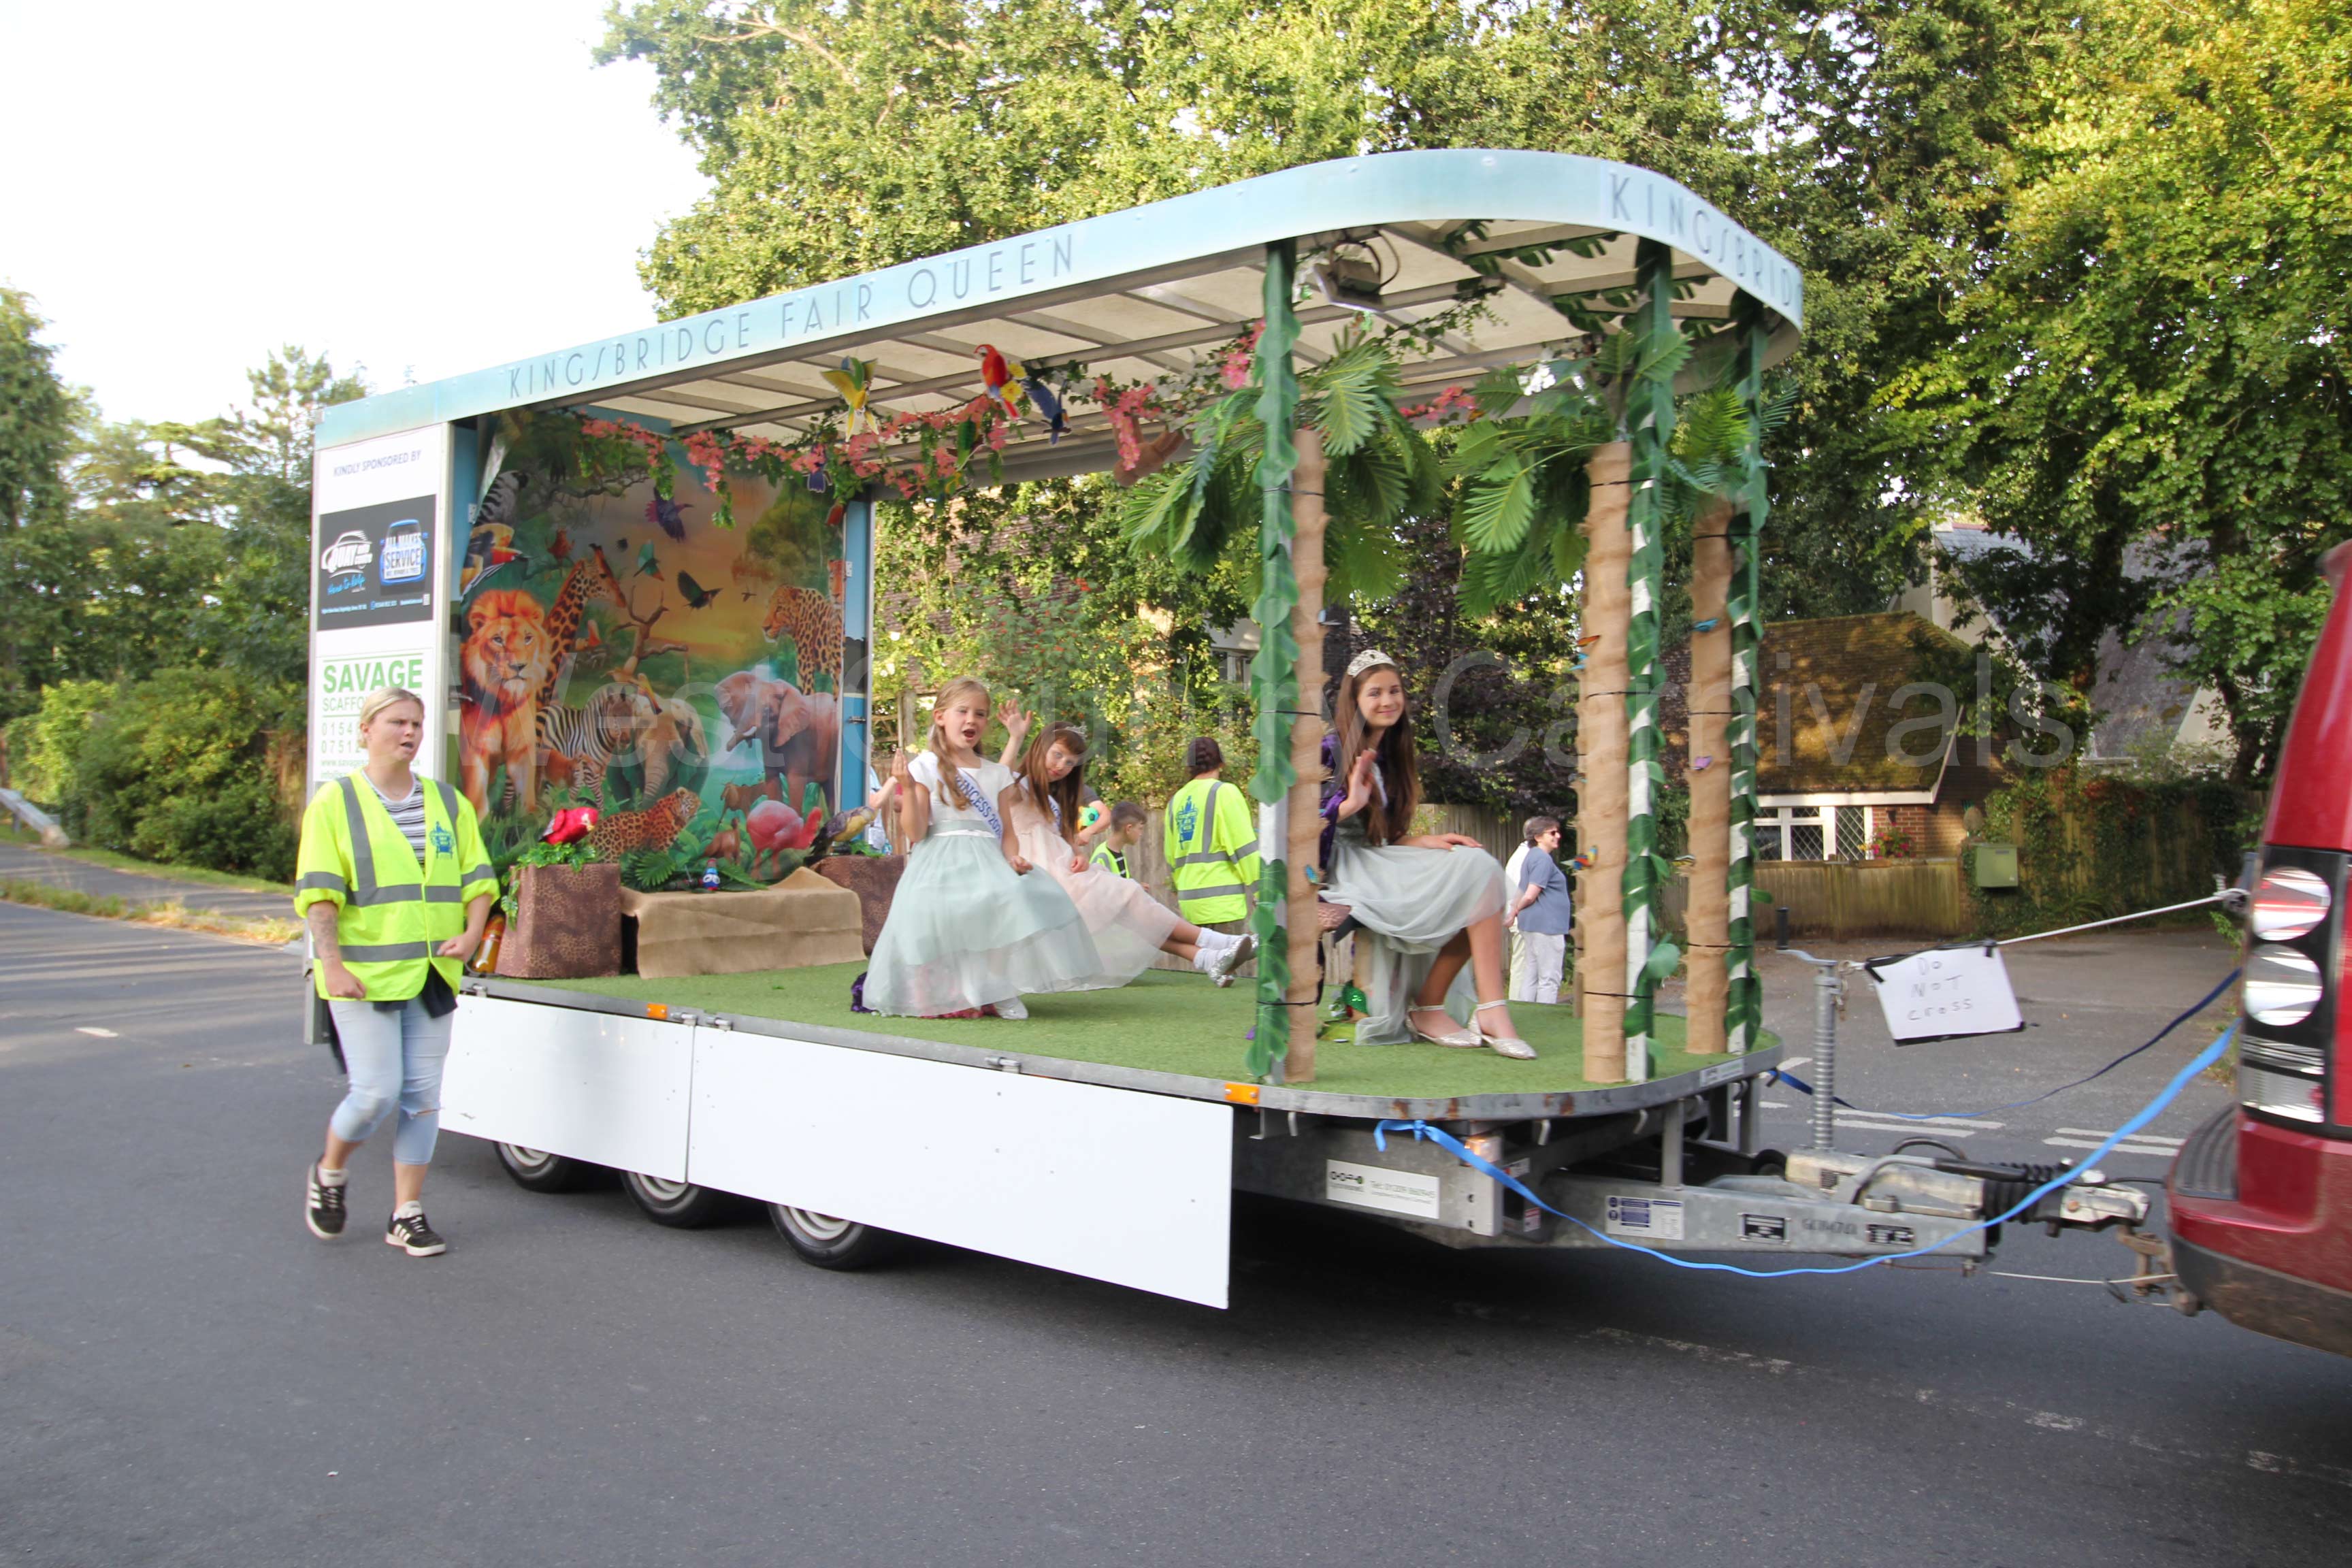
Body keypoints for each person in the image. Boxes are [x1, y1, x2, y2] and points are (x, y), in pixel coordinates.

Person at [295, 687, 497, 1257]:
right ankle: (330, 1171)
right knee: (375, 1094)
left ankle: (406, 1213)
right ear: (366, 730)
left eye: (417, 723)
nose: (409, 733)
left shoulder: (447, 803)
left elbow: (478, 878)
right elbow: (319, 895)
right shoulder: (335, 803)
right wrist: (331, 965)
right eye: (396, 723)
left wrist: (474, 933)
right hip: (364, 977)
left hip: (432, 974)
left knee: (423, 1097)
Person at [1320, 649, 1533, 1059]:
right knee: (1478, 875)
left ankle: (1452, 1005)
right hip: (1341, 866)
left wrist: (1424, 841)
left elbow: (1384, 836)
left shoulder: (1391, 753)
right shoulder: (1330, 749)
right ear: (1355, 701)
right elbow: (1297, 827)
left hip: (1377, 858)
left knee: (1479, 870)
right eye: (1375, 693)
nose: (1388, 701)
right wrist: (1348, 805)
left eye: (1395, 691)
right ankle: (1467, 1009)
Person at [863, 678, 1102, 1018]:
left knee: (1016, 897)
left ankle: (996, 984)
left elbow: (1007, 832)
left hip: (987, 858)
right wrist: (907, 786)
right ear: (941, 717)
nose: (971, 720)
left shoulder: (996, 774)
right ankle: (960, 985)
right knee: (942, 911)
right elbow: (915, 831)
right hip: (939, 858)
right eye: (962, 711)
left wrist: (1013, 857)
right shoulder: (924, 767)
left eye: (980, 714)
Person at [1000, 715, 1253, 987]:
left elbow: (1063, 837)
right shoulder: (1017, 787)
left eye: (1071, 763)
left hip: (1062, 871)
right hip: (1042, 876)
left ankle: (1207, 958)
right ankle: (1219, 942)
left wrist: (1079, 854)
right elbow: (996, 785)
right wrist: (1016, 738)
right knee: (1130, 896)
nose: (1062, 766)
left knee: (1131, 915)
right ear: (1040, 748)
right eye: (1057, 755)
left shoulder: (1055, 797)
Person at [1163, 737, 1260, 934]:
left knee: (1205, 955)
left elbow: (1171, 858)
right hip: (1222, 905)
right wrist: (1262, 892)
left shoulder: (1175, 801)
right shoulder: (1224, 793)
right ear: (1221, 762)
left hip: (1190, 906)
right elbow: (1245, 849)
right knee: (1227, 955)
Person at [1507, 815, 1572, 1004]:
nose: (1558, 836)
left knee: (1531, 974)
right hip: (1547, 926)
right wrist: (1516, 910)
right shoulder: (1543, 859)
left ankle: (1528, 1011)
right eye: (1552, 833)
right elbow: (1530, 895)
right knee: (1549, 978)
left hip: (1531, 925)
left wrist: (1513, 913)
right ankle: (1546, 1012)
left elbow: (1520, 890)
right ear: (1538, 837)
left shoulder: (1531, 857)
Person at [1090, 801, 1147, 877]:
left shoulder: (1120, 853)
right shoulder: (1102, 857)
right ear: (1129, 829)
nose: (1141, 834)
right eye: (1140, 828)